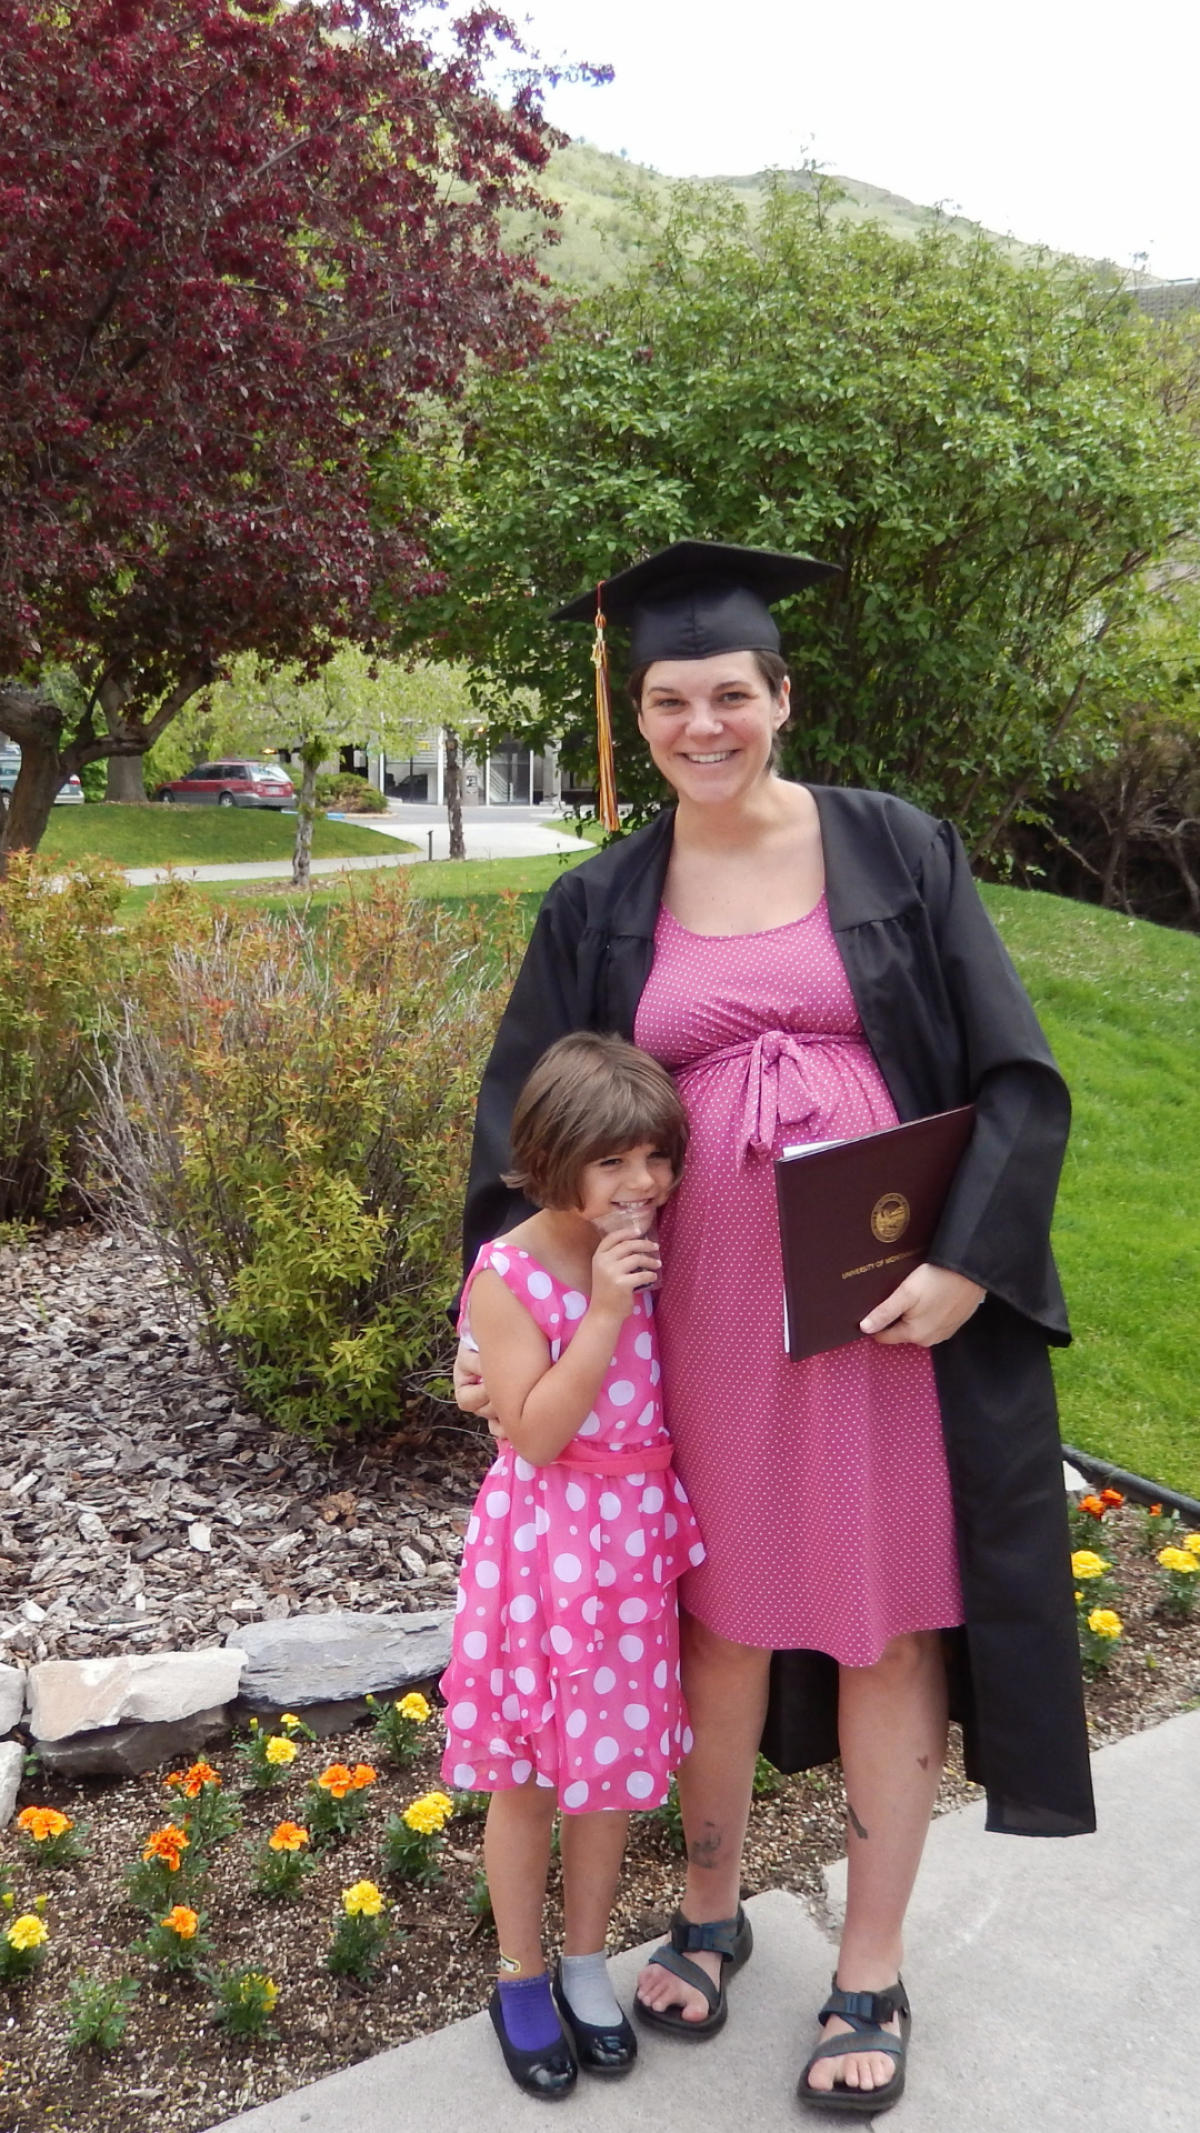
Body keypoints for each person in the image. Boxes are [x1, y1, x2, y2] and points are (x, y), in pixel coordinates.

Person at [456, 541, 1094, 2115]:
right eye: (669, 701)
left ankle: (868, 1965)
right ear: (644, 716)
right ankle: (708, 1907)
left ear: (782, 698)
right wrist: (501, 1317)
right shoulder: (602, 898)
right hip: (690, 1333)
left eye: (730, 693)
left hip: (882, 1316)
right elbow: (517, 1131)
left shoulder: (895, 850)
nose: (701, 724)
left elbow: (1014, 1075)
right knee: (717, 1618)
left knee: (885, 1619)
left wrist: (964, 1260)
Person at [441, 1030, 704, 2100]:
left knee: (606, 1777)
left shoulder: (647, 1235)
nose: (642, 1182)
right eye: (614, 1161)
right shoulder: (512, 1275)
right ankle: (520, 1974)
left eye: (656, 1156)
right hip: (545, 1551)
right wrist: (602, 1307)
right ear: (552, 1158)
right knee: (531, 1778)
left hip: (633, 1544)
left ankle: (589, 1960)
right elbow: (537, 1434)